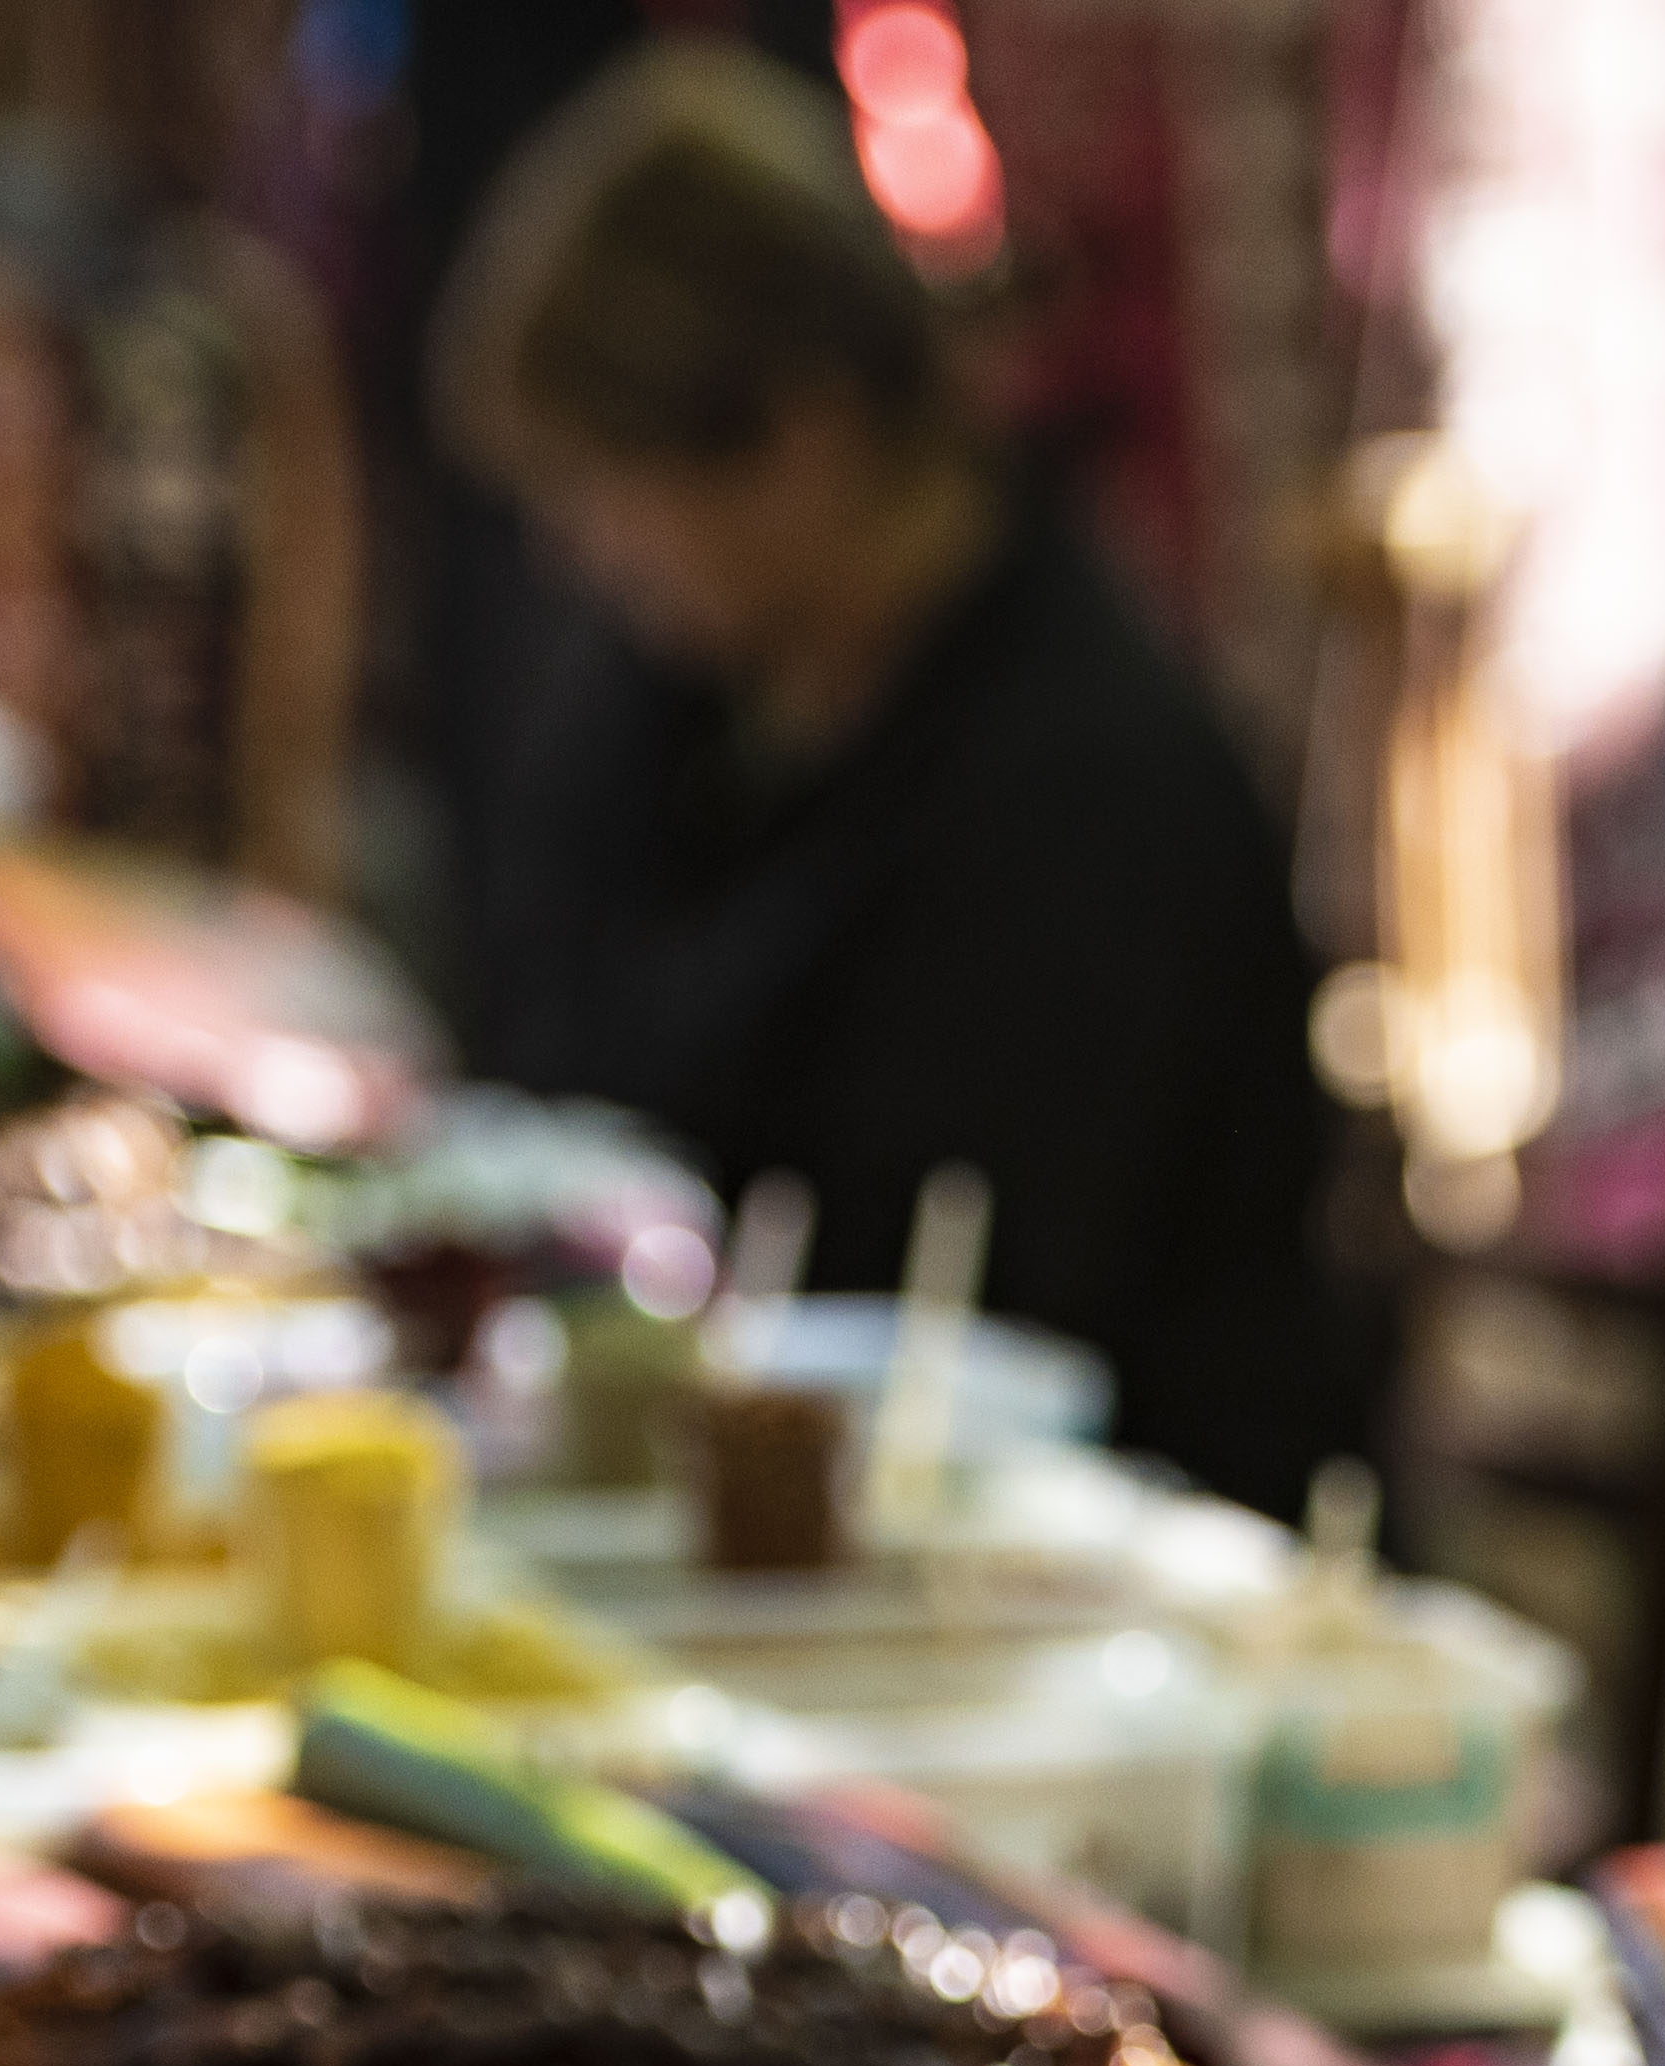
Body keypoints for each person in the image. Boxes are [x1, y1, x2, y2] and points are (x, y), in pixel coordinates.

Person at [436, 49, 1365, 1506]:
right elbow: (546, 1057)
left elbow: (970, 1296)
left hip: (1087, 1539)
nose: (588, 556)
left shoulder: (1085, 784)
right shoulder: (687, 702)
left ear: (802, 440)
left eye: (612, 493)